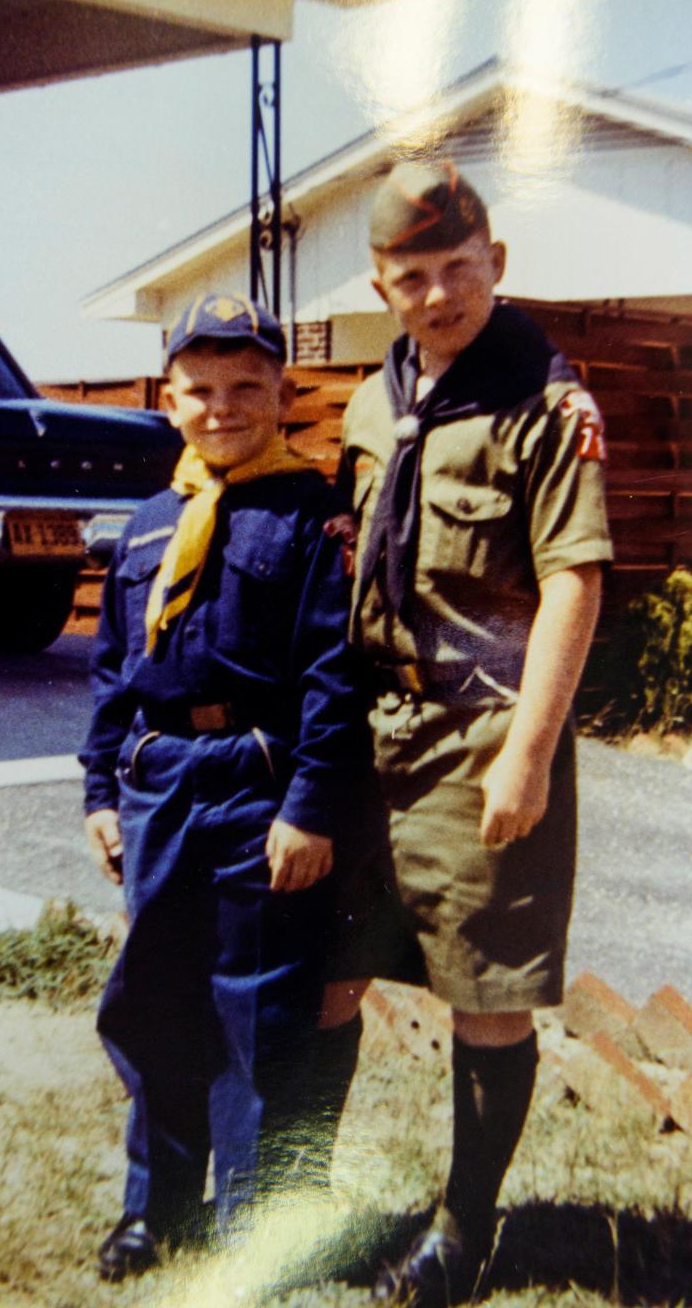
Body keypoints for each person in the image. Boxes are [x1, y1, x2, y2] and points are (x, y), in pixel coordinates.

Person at [339, 162, 613, 1304]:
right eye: (415, 275)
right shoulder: (370, 398)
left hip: (479, 736)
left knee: (485, 994)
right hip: (371, 734)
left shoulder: (546, 405)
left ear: (497, 263)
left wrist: (531, 752)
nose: (442, 292)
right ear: (382, 284)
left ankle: (465, 1229)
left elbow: (574, 584)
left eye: (461, 267)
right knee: (331, 968)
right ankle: (294, 1199)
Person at [82, 292, 381, 1282]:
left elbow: (335, 675)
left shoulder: (308, 515)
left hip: (258, 782)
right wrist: (98, 790)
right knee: (157, 998)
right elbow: (112, 674)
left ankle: (249, 1223)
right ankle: (153, 1207)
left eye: (246, 387)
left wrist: (308, 808)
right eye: (200, 390)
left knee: (258, 1009)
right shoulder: (145, 525)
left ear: (283, 394)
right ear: (167, 398)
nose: (223, 408)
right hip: (161, 783)